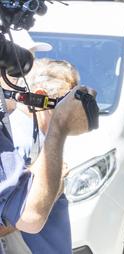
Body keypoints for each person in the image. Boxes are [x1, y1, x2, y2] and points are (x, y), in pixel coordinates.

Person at [0, 58, 95, 254]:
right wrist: (54, 187)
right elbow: (22, 215)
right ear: (41, 97)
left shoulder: (37, 136)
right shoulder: (22, 140)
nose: (74, 109)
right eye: (67, 102)